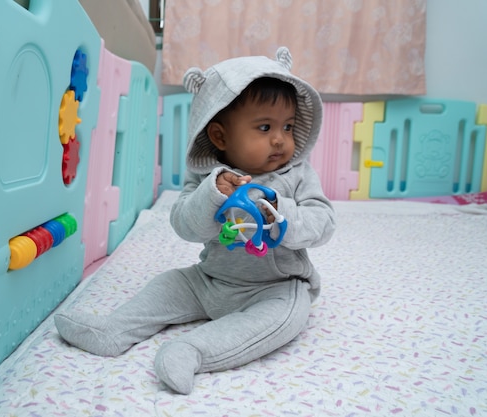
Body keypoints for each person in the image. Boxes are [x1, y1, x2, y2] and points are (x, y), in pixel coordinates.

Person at [54, 46, 335, 395]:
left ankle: (191, 350)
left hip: (275, 287)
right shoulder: (207, 177)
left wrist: (280, 211)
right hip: (210, 280)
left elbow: (323, 221)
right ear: (219, 136)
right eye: (264, 127)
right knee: (168, 284)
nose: (280, 139)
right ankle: (114, 329)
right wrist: (211, 195)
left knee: (288, 317)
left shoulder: (296, 174)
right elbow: (185, 225)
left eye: (288, 126)